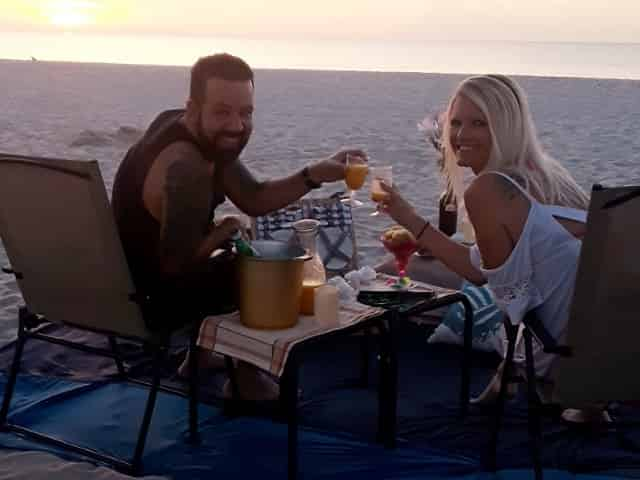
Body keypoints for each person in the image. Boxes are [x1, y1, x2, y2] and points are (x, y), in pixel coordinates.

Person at [111, 53, 365, 399]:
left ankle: (198, 359)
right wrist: (225, 229)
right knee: (258, 269)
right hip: (151, 301)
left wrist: (314, 174)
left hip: (125, 283)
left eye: (245, 113)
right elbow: (177, 265)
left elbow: (254, 198)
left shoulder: (184, 129)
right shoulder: (186, 168)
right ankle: (244, 378)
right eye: (222, 112)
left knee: (237, 252)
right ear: (193, 108)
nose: (236, 125)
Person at [378, 74, 594, 413]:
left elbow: (489, 284)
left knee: (400, 275)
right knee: (425, 269)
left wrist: (407, 217)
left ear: (505, 127)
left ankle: (509, 373)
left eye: (479, 123)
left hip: (553, 350)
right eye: (456, 122)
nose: (461, 135)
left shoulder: (488, 189)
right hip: (601, 343)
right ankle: (508, 376)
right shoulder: (549, 174)